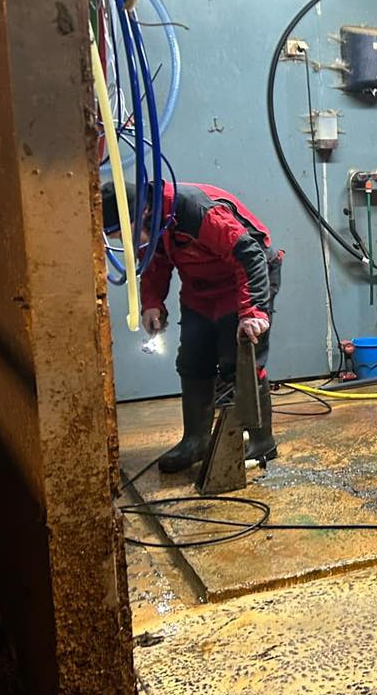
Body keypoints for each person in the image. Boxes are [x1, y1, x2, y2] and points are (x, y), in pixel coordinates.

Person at [102, 179, 283, 474]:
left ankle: (262, 442)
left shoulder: (197, 210)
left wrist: (253, 311)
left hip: (243, 280)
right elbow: (156, 262)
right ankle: (195, 441)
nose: (125, 241)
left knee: (240, 362)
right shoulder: (151, 224)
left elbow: (249, 255)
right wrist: (152, 303)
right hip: (200, 289)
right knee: (193, 361)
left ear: (143, 210)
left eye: (124, 232)